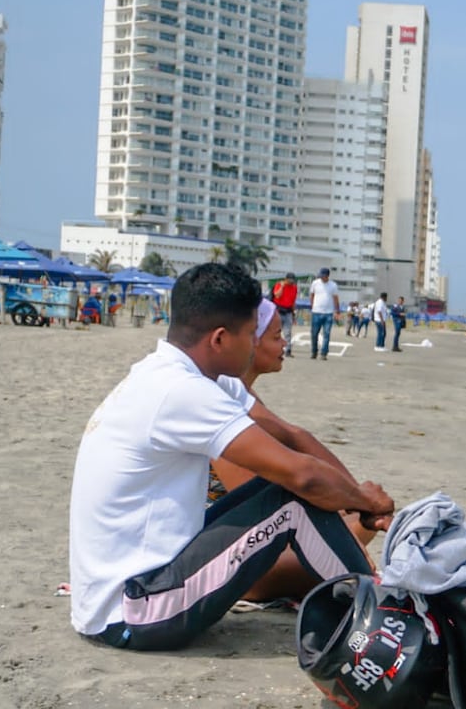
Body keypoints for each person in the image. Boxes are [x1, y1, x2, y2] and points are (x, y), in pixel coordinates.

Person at [68, 263, 394, 651]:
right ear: (221, 339)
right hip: (133, 612)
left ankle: (373, 601)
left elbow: (290, 436)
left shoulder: (177, 373)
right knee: (291, 498)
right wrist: (364, 501)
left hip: (129, 597)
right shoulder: (181, 392)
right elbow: (302, 476)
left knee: (289, 491)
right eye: (250, 336)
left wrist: (358, 501)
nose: (255, 345)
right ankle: (384, 626)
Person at [208, 298, 377, 602]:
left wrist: (359, 500)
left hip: (258, 535)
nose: (285, 341)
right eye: (275, 336)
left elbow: (297, 436)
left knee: (355, 524)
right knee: (346, 537)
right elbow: (253, 504)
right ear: (249, 340)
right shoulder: (216, 406)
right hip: (229, 551)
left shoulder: (243, 395)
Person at [307, 267, 341, 360]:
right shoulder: (315, 283)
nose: (322, 277)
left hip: (328, 313)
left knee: (326, 333)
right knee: (314, 333)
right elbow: (312, 295)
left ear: (327, 276)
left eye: (323, 276)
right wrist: (312, 306)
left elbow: (335, 298)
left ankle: (324, 353)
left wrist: (337, 310)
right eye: (321, 275)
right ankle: (314, 351)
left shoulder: (333, 285)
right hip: (316, 311)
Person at [270, 272, 298, 357]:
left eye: (292, 280)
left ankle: (288, 350)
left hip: (288, 311)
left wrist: (293, 315)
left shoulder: (294, 288)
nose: (291, 282)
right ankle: (272, 349)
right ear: (285, 279)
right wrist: (282, 286)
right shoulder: (279, 285)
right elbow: (277, 295)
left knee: (288, 332)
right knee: (275, 331)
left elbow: (293, 301)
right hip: (278, 310)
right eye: (289, 280)